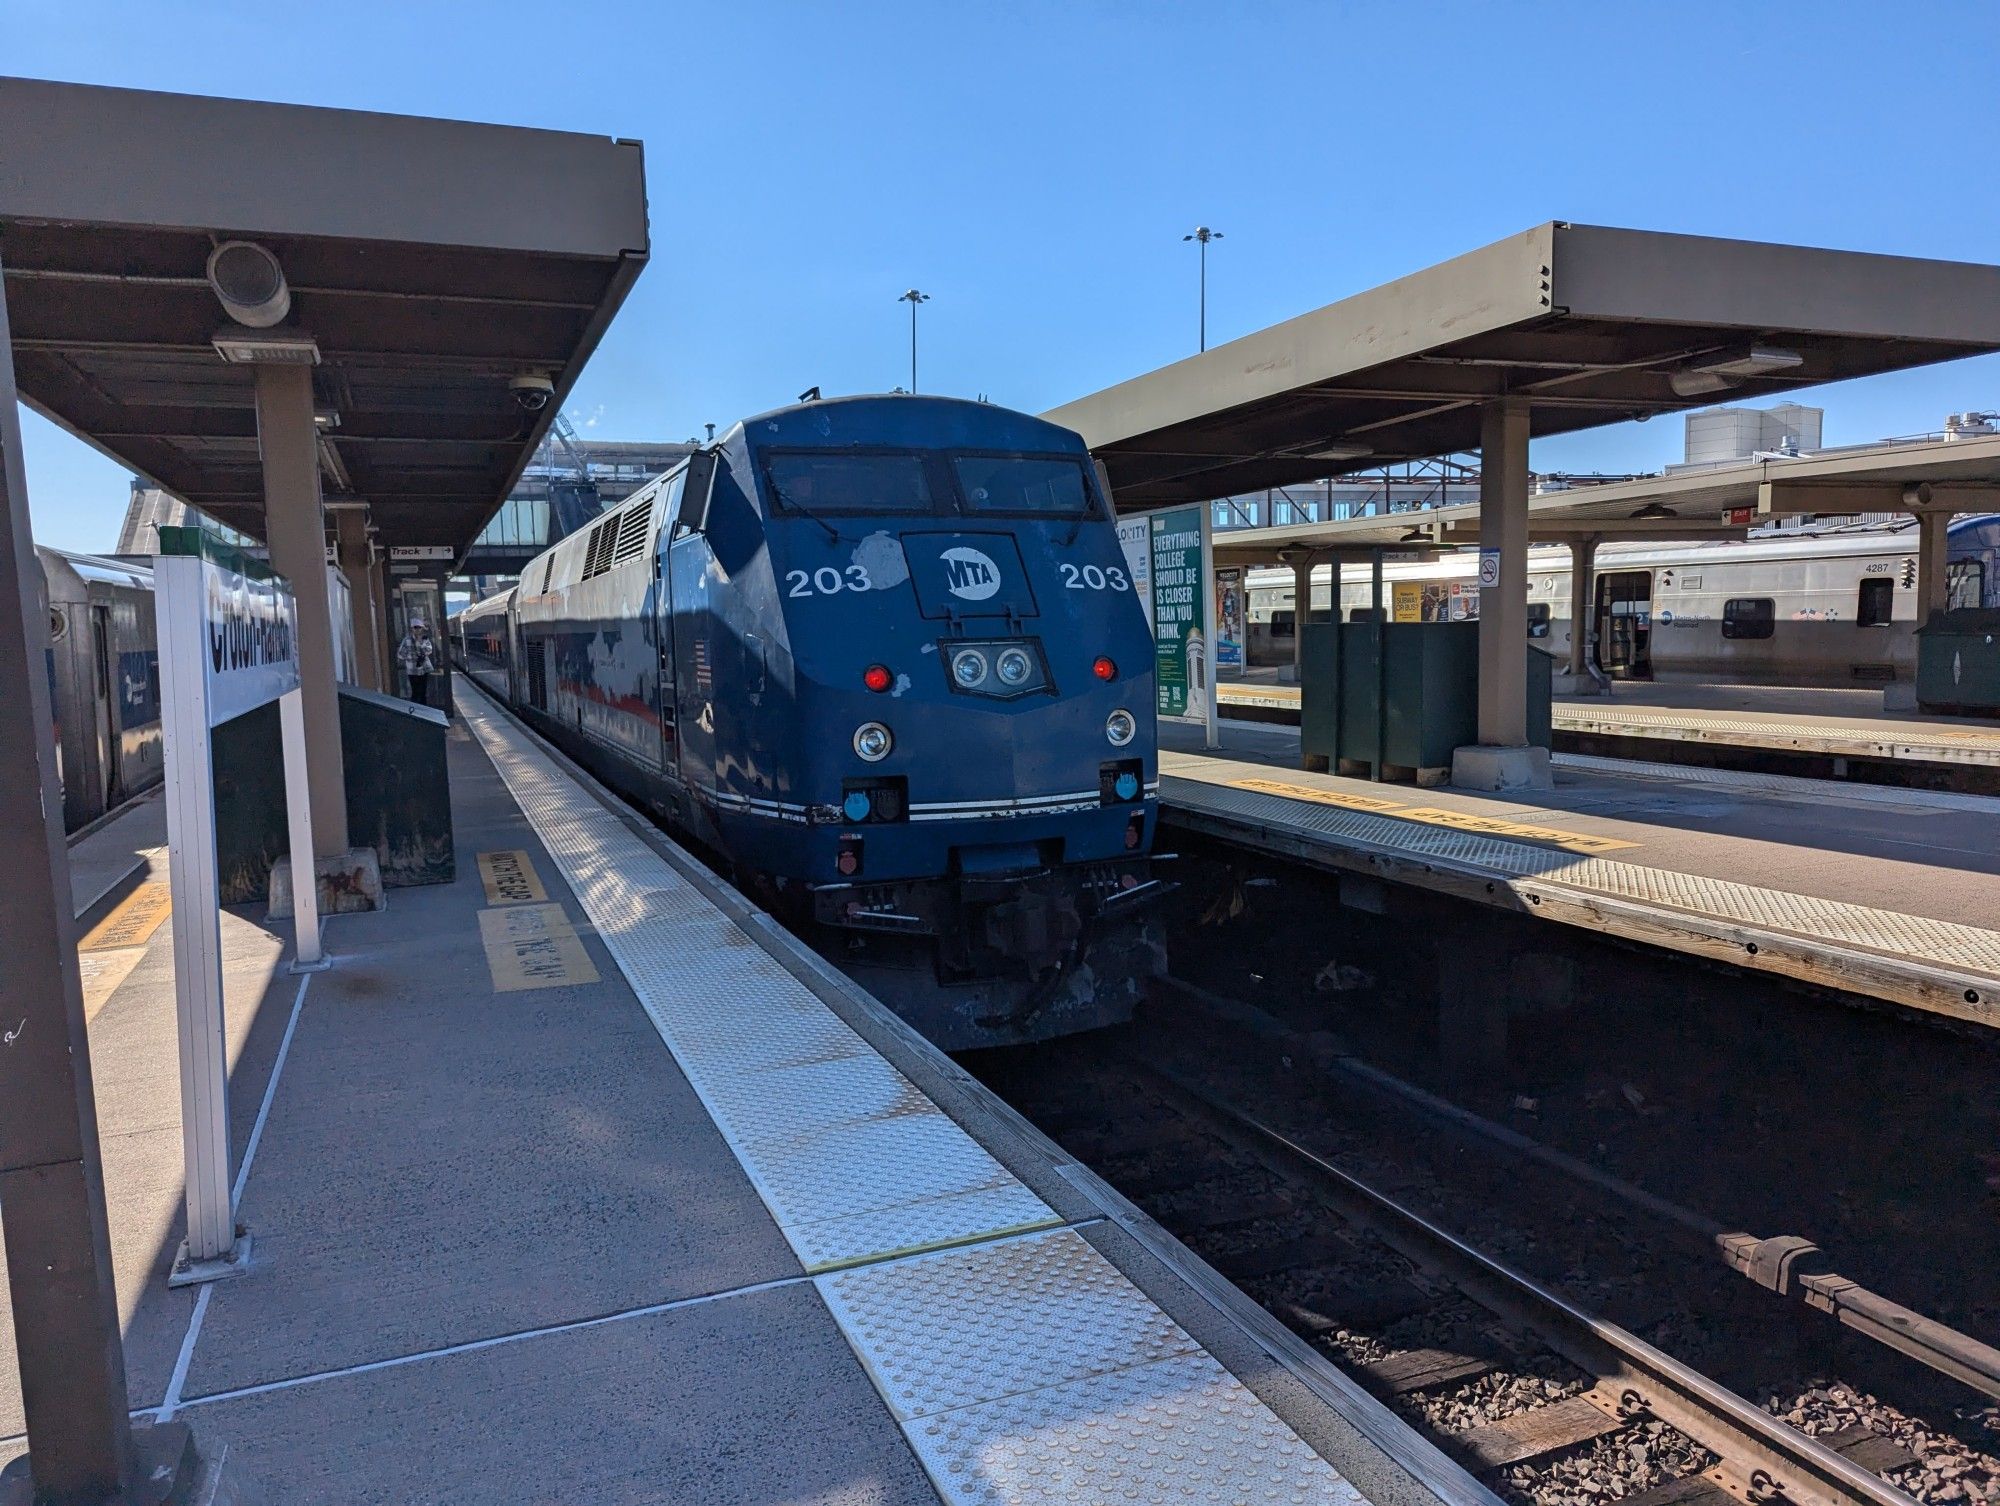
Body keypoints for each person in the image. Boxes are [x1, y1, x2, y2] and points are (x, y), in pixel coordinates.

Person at [397, 618, 439, 706]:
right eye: (415, 627)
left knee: (423, 692)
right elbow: (400, 654)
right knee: (415, 692)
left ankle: (424, 712)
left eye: (419, 627)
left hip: (423, 669)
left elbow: (429, 650)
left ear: (422, 629)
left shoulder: (425, 639)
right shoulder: (407, 640)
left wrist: (421, 644)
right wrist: (410, 656)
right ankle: (415, 712)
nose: (417, 629)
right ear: (412, 628)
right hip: (412, 670)